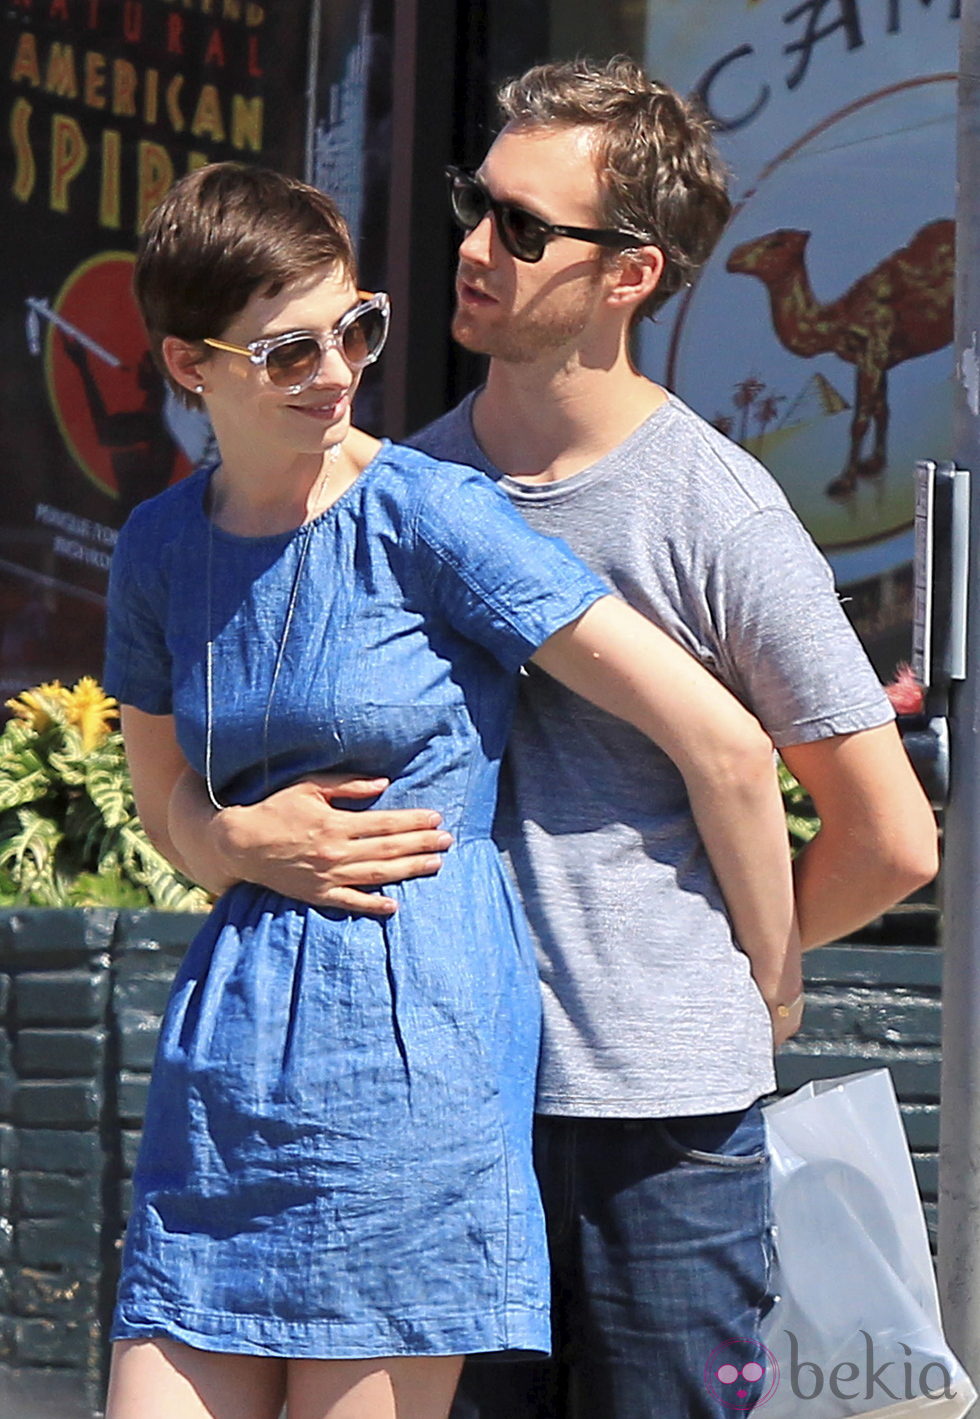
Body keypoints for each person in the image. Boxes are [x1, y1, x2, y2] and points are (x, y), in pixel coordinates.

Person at [176, 60, 940, 1418]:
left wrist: (735, 967)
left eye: (524, 229)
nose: (474, 246)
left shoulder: (716, 508)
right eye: (479, 206)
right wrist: (233, 835)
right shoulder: (395, 477)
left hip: (648, 1122)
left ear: (631, 274)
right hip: (433, 1104)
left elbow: (888, 835)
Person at [102, 161, 803, 1419]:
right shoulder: (159, 546)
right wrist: (237, 840)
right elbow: (167, 808)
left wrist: (768, 978)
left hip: (407, 1062)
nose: (334, 371)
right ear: (186, 364)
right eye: (286, 351)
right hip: (225, 1066)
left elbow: (724, 743)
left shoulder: (432, 515)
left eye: (354, 329)